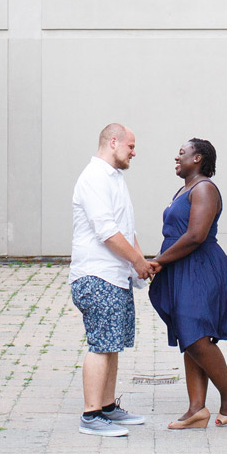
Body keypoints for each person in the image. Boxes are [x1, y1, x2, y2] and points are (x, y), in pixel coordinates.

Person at [147, 137, 227, 429]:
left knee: (198, 338)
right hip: (182, 265)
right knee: (189, 335)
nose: (176, 159)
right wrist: (161, 259)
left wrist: (160, 260)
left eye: (182, 154)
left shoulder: (205, 189)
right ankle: (196, 409)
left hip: (199, 267)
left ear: (198, 158)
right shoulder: (184, 189)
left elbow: (195, 235)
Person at [69, 122, 154, 437]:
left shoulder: (114, 178)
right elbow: (106, 231)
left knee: (112, 343)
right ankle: (91, 416)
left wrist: (141, 264)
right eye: (131, 146)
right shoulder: (93, 178)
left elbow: (126, 228)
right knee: (100, 345)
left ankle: (107, 408)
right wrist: (138, 261)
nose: (134, 151)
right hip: (96, 275)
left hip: (115, 276)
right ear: (113, 142)